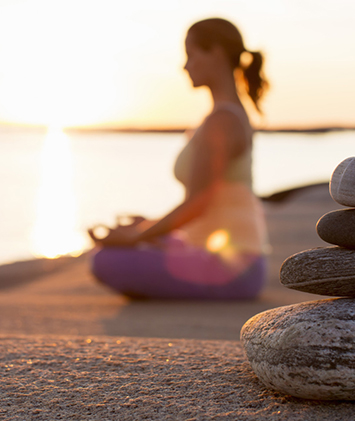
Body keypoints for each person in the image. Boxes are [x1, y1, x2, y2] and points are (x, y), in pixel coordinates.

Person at [88, 18, 269, 300]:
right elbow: (203, 206)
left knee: (105, 260)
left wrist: (136, 237)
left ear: (217, 53)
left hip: (233, 267)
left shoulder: (222, 121)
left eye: (191, 55)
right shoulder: (227, 115)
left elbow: (197, 203)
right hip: (222, 254)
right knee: (135, 239)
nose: (185, 66)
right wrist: (147, 226)